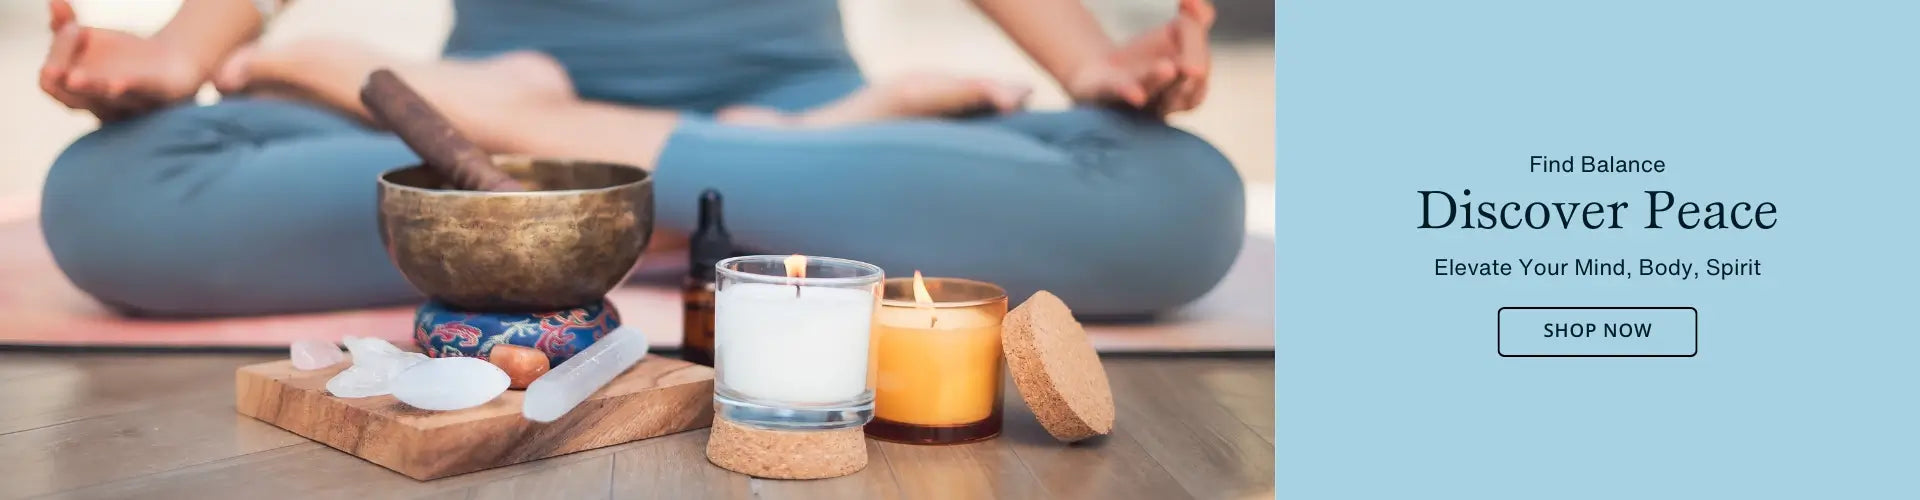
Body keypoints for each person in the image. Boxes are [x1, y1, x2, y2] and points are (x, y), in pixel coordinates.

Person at [36, 0, 1244, 318]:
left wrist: (1091, 64)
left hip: (480, 144)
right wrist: (180, 52)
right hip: (808, 167)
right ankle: (747, 196)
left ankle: (565, 170)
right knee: (114, 195)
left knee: (1180, 198)